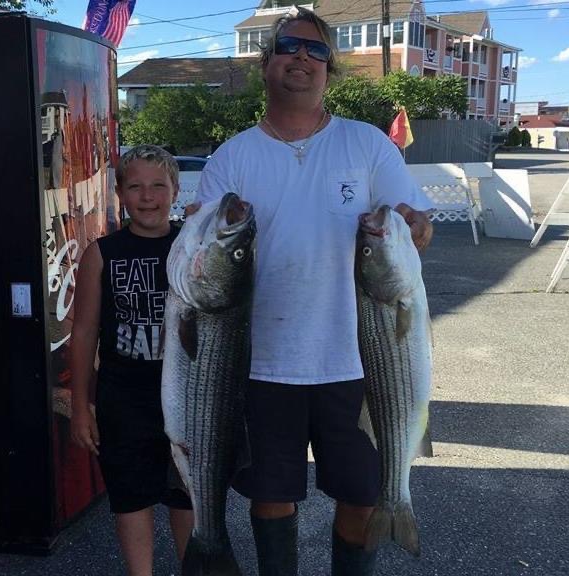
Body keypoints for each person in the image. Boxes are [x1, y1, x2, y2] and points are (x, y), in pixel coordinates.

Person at [196, 7, 434, 576]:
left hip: (360, 361)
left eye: (317, 50)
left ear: (330, 69)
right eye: (288, 46)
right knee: (272, 498)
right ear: (267, 62)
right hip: (260, 364)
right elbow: (204, 252)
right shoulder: (233, 156)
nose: (302, 57)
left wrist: (417, 225)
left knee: (362, 496)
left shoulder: (367, 144)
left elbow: (411, 223)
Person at [70, 145, 193, 576]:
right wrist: (81, 405)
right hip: (123, 396)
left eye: (158, 185)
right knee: (131, 497)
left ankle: (191, 568)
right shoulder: (101, 253)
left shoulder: (192, 248)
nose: (148, 196)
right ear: (119, 193)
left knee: (186, 494)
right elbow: (84, 332)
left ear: (175, 190)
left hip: (186, 395)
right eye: (136, 186)